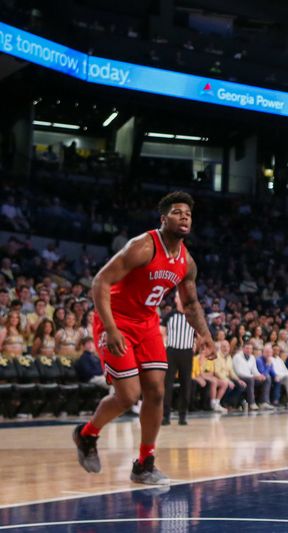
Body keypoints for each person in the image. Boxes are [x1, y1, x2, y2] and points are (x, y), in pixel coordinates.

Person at [72, 191, 214, 485]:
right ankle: (86, 435)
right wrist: (110, 329)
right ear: (163, 220)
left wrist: (205, 335)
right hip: (117, 321)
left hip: (147, 323)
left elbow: (189, 304)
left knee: (157, 391)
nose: (184, 216)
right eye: (177, 212)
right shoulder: (142, 246)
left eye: (187, 213)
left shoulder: (187, 262)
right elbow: (100, 281)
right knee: (128, 395)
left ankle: (144, 463)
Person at [161, 293, 196, 426]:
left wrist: (194, 346)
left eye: (179, 296)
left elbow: (197, 334)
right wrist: (165, 347)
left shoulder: (193, 316)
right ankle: (166, 415)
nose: (177, 299)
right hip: (171, 351)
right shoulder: (170, 315)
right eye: (176, 297)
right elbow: (161, 332)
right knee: (167, 384)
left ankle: (183, 415)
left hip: (187, 352)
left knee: (186, 384)